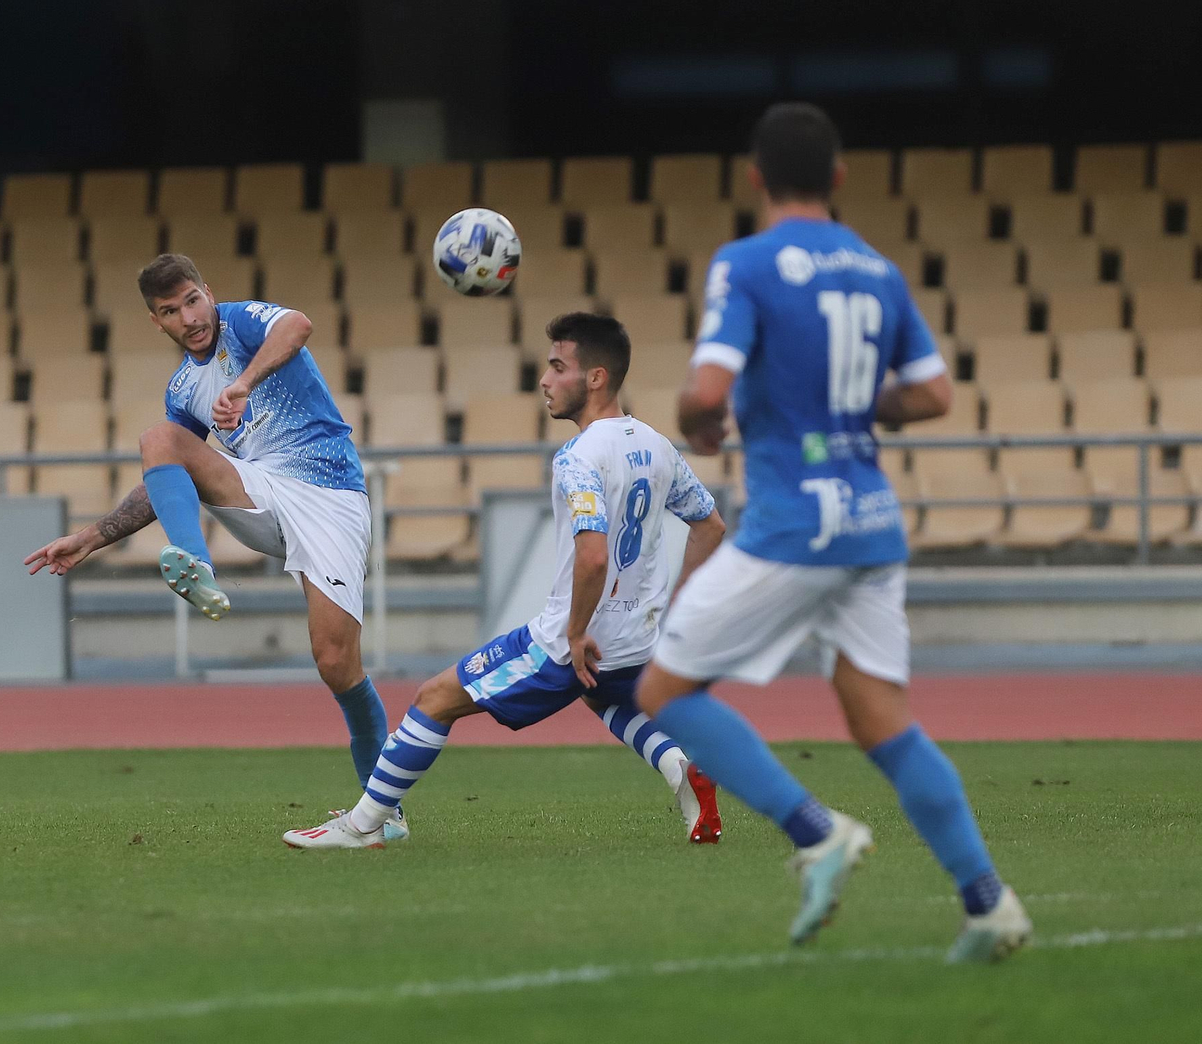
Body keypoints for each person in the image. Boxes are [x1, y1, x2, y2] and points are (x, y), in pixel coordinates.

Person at [633, 103, 1032, 962]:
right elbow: (931, 395)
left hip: (795, 523)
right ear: (840, 177)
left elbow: (707, 392)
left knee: (664, 694)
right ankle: (988, 904)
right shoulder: (877, 269)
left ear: (754, 177)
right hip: (873, 521)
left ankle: (816, 833)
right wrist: (852, 408)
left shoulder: (747, 263)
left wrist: (699, 422)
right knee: (882, 721)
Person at [284, 312, 726, 849]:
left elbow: (592, 555)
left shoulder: (579, 456)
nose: (544, 379)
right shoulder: (656, 445)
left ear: (595, 378)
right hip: (638, 638)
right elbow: (710, 525)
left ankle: (363, 826)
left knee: (434, 698)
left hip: (569, 642)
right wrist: (674, 611)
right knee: (607, 700)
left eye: (558, 367)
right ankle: (682, 769)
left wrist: (575, 631)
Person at [25, 254, 399, 836]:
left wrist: (244, 383)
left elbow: (297, 324)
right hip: (260, 492)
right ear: (157, 322)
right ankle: (193, 559)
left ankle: (383, 816)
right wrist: (93, 537)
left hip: (329, 497)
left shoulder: (241, 323)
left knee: (335, 663)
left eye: (192, 300)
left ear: (208, 293)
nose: (189, 317)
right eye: (171, 311)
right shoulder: (182, 388)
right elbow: (167, 466)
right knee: (160, 438)